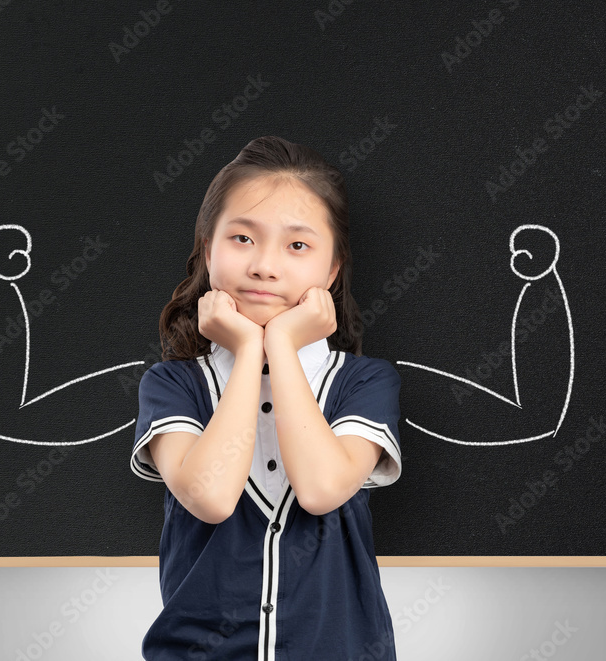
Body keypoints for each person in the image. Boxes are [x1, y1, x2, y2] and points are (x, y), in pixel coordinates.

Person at [131, 135, 403, 660]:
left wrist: (277, 342)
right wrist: (246, 346)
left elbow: (322, 489)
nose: (264, 266)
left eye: (297, 246)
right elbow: (209, 498)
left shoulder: (364, 383)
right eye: (241, 239)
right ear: (208, 250)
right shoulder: (173, 386)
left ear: (331, 271)